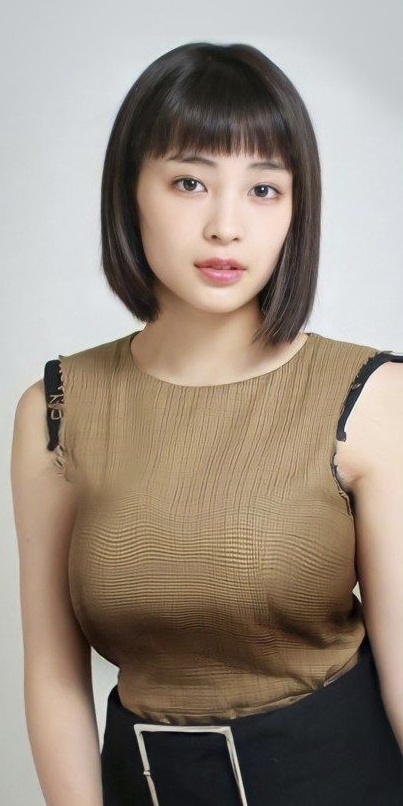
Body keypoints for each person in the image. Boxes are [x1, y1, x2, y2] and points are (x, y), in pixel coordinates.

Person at [10, 40, 403, 806]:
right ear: (130, 190)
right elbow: (53, 675)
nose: (226, 226)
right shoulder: (55, 409)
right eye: (189, 182)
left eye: (263, 189)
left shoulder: (371, 396)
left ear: (296, 210)